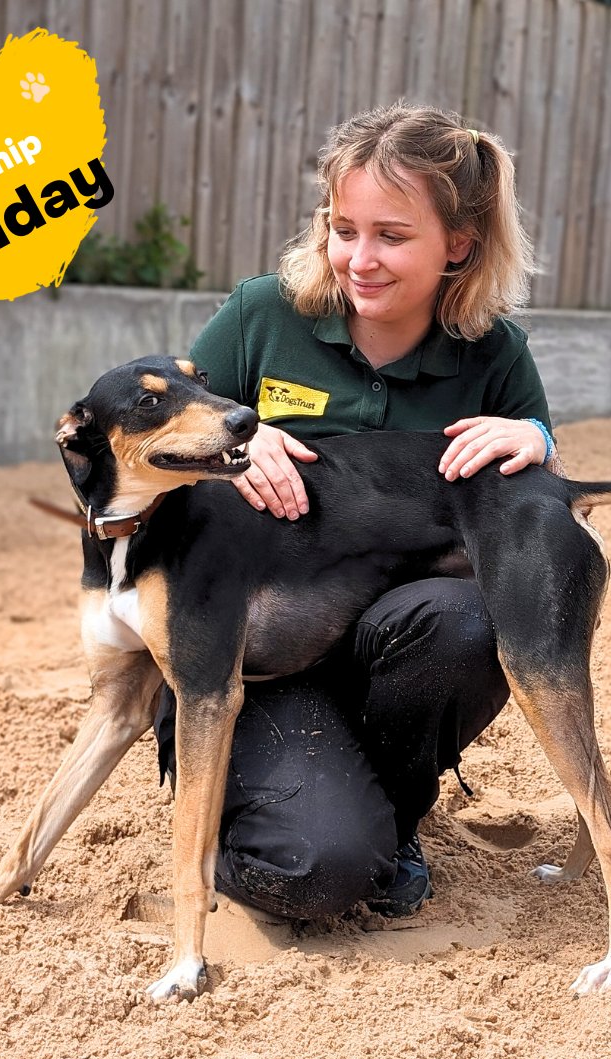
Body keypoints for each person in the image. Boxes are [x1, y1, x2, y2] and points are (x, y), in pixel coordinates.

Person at [154, 102, 565, 921]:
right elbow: (155, 445)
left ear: (460, 244)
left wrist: (535, 437)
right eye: (344, 229)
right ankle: (260, 812)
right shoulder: (264, 315)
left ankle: (397, 812)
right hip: (252, 660)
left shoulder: (492, 351)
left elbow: (530, 505)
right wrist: (232, 445)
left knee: (470, 624)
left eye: (392, 236)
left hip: (394, 646)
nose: (360, 259)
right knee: (316, 874)